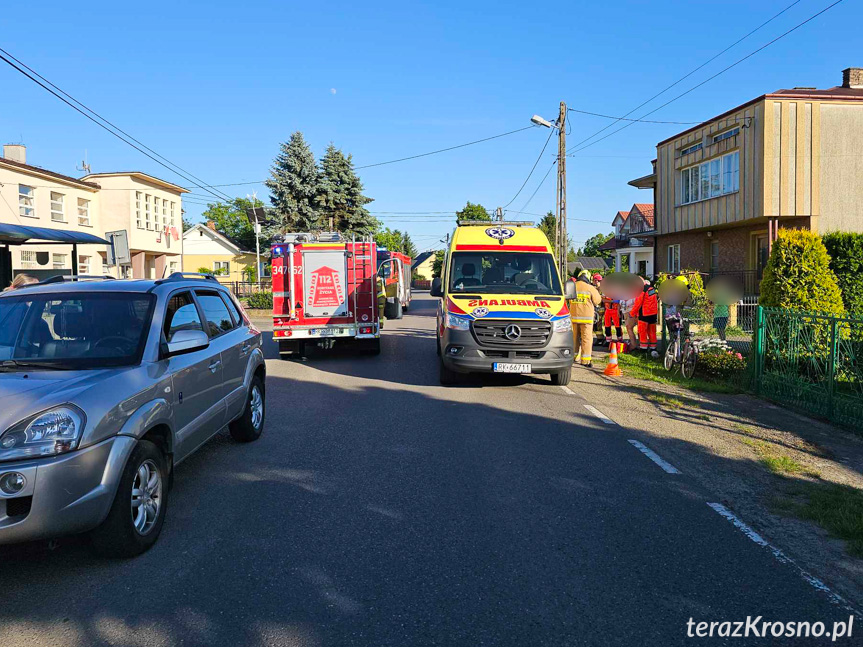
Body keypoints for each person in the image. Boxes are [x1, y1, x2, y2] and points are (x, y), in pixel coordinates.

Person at [568, 270, 602, 368]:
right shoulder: (590, 288)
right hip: (586, 319)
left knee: (574, 338)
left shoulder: (572, 286)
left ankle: (573, 357)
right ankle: (585, 360)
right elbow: (597, 300)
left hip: (573, 317)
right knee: (586, 339)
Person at [630, 279, 659, 357]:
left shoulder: (642, 290)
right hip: (653, 313)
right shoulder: (651, 289)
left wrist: (632, 313)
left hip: (644, 313)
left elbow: (638, 303)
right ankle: (653, 348)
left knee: (642, 331)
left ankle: (644, 349)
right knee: (652, 331)